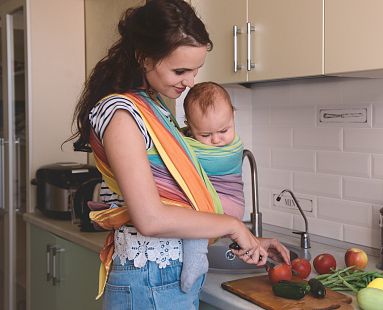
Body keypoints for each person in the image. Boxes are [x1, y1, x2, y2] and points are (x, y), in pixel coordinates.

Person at [68, 1, 290, 309]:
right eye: (180, 70)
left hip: (163, 276)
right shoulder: (121, 113)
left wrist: (251, 239)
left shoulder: (154, 108)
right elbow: (151, 218)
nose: (190, 82)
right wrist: (233, 225)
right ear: (144, 58)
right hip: (149, 280)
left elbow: (180, 199)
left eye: (195, 70)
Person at [179, 81, 245, 292]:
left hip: (225, 204)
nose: (217, 140)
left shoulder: (231, 149)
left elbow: (175, 150)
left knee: (191, 218)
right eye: (205, 135)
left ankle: (196, 258)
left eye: (224, 130)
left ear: (233, 116)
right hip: (225, 206)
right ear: (189, 126)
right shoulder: (208, 138)